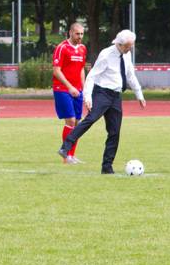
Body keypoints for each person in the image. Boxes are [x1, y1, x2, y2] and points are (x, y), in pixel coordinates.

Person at [58, 29, 146, 174]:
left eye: (131, 45)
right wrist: (88, 97)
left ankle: (107, 167)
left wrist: (139, 94)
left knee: (115, 132)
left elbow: (130, 75)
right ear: (120, 44)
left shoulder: (127, 54)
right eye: (128, 46)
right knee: (90, 119)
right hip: (102, 93)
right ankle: (65, 147)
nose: (130, 48)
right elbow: (91, 76)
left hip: (116, 96)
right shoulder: (106, 55)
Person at [52, 23, 87, 164]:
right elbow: (56, 70)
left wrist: (84, 89)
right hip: (62, 89)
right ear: (70, 33)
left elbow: (81, 69)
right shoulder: (62, 48)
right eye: (77, 34)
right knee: (71, 120)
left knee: (78, 123)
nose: (80, 37)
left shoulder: (83, 49)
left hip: (78, 91)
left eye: (82, 34)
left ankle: (71, 155)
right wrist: (70, 86)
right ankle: (66, 156)